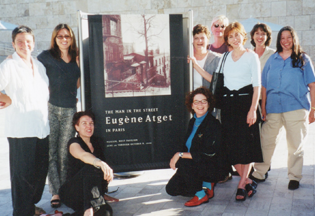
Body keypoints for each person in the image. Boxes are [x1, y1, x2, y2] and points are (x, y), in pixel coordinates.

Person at [250, 26, 315, 190]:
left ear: (294, 39)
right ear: (279, 41)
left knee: (295, 144)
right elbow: (264, 86)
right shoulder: (272, 59)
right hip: (273, 108)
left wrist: (313, 109)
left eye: (289, 37)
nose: (286, 41)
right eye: (282, 38)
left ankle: (294, 177)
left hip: (296, 107)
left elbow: (313, 85)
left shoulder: (303, 59)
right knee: (266, 141)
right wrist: (263, 107)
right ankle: (259, 173)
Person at [0, 26, 49, 216]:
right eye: (19, 41)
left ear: (33, 43)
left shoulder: (39, 65)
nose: (24, 45)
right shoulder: (9, 65)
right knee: (22, 177)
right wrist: (6, 99)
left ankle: (30, 206)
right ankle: (22, 211)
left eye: (28, 41)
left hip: (41, 128)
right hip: (20, 130)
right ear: (13, 44)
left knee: (39, 173)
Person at [37, 24, 80, 208]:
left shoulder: (77, 57)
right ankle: (55, 192)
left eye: (67, 36)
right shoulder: (46, 57)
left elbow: (78, 83)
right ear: (55, 38)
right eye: (60, 36)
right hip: (50, 109)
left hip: (70, 109)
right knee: (51, 152)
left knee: (64, 153)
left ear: (71, 39)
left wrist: (79, 66)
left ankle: (64, 190)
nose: (64, 39)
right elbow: (30, 70)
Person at [219, 22, 263, 201]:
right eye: (231, 36)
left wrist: (253, 109)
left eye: (237, 35)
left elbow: (257, 85)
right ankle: (248, 183)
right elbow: (215, 79)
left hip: (246, 104)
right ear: (227, 39)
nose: (235, 39)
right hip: (229, 106)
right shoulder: (225, 57)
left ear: (243, 36)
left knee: (247, 145)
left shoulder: (251, 56)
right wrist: (195, 66)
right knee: (231, 147)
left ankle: (241, 185)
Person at [166, 87, 222, 207]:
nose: (200, 104)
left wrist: (179, 155)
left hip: (209, 165)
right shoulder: (193, 121)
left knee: (183, 161)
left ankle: (201, 194)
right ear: (192, 105)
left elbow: (209, 153)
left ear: (209, 104)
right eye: (196, 101)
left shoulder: (213, 124)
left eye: (204, 101)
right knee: (171, 189)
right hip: (194, 164)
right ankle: (206, 185)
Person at [59, 111, 116, 216]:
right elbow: (83, 156)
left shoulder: (97, 142)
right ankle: (89, 208)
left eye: (91, 123)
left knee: (106, 213)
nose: (88, 126)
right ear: (77, 127)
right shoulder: (73, 143)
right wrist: (100, 163)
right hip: (72, 192)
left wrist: (100, 193)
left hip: (90, 193)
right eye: (84, 123)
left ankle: (87, 210)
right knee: (91, 167)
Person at [249, 23, 275, 180]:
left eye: (263, 34)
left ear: (267, 37)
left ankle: (263, 168)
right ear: (252, 36)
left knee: (265, 136)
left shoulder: (273, 55)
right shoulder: (248, 54)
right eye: (257, 33)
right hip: (251, 101)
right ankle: (254, 166)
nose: (260, 36)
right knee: (253, 136)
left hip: (267, 100)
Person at [187, 24, 221, 90]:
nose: (199, 41)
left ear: (208, 40)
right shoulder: (188, 57)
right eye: (196, 38)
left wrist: (196, 65)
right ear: (192, 41)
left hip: (208, 98)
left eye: (202, 38)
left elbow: (217, 82)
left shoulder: (216, 59)